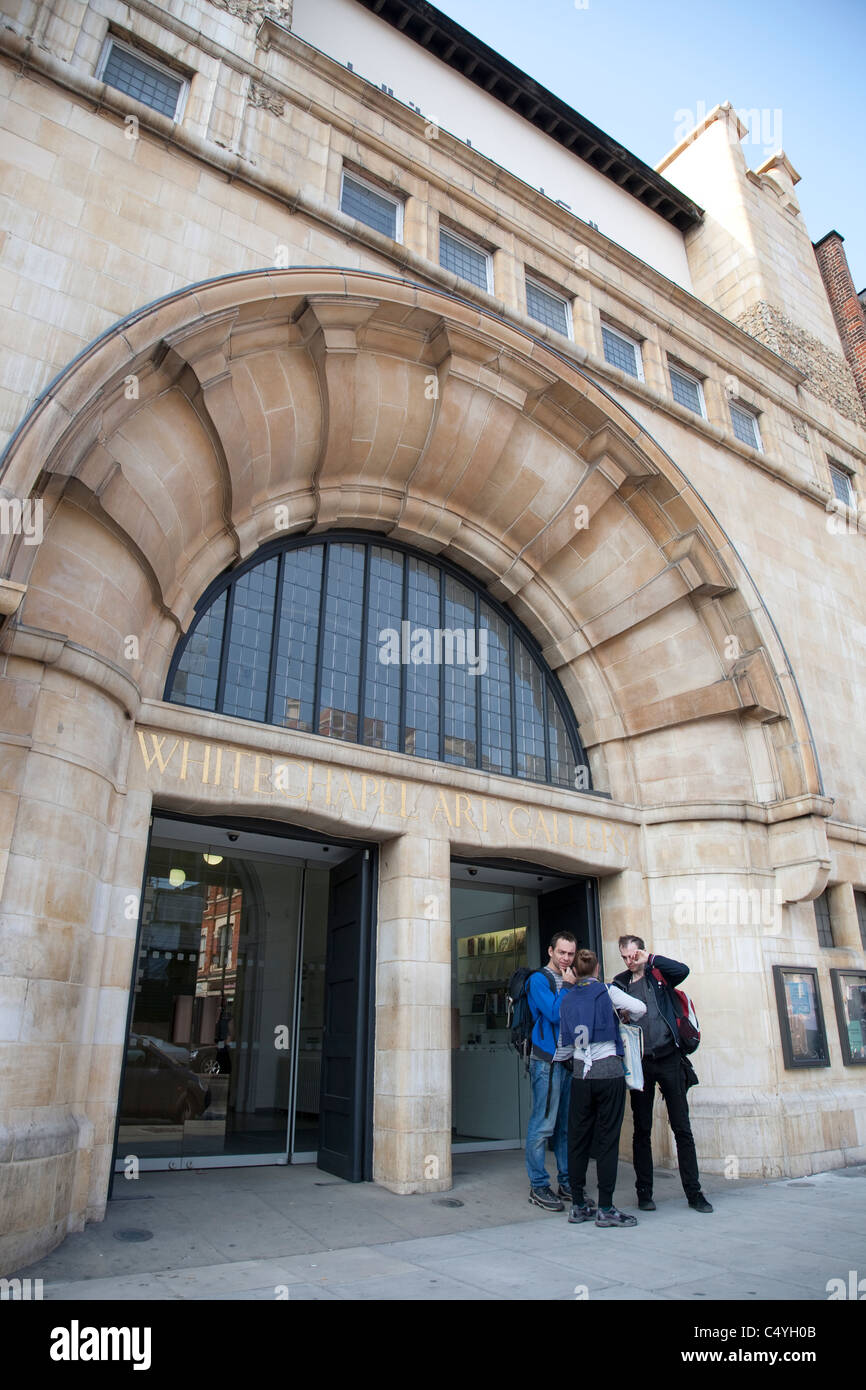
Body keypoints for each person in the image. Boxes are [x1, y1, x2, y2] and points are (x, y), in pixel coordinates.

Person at [614, 936, 713, 1214]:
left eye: (633, 955)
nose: (630, 961)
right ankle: (644, 1192)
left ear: (642, 952)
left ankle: (694, 1193)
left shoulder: (659, 974)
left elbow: (683, 970)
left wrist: (652, 959)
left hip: (669, 1057)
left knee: (682, 1127)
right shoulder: (620, 982)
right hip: (641, 1062)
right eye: (625, 957)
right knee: (641, 1130)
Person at [560, 949, 646, 1227]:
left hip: (580, 1076)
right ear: (597, 969)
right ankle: (606, 1207)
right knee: (607, 1140)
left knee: (578, 1141)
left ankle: (578, 1204)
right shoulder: (607, 992)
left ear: (575, 971)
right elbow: (640, 1009)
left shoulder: (568, 997)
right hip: (608, 1072)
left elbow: (564, 1040)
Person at [524, 931, 577, 1211]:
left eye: (570, 954)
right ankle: (539, 1185)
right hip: (546, 1062)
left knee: (566, 1127)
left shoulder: (572, 978)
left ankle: (566, 1182)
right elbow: (554, 1014)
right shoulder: (539, 980)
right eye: (561, 953)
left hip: (569, 1062)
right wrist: (568, 988)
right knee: (543, 1125)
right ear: (550, 951)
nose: (566, 958)